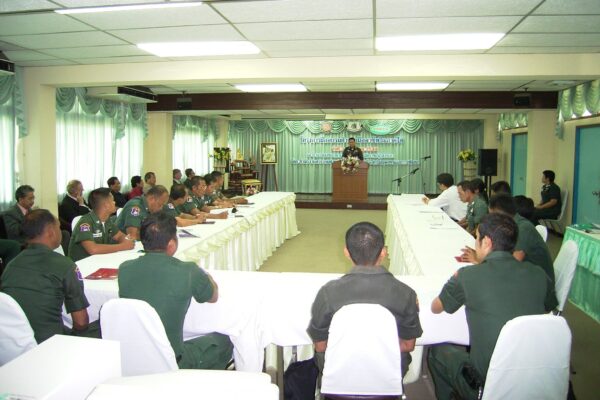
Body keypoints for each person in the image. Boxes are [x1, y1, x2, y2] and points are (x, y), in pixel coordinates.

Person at [428, 213, 551, 400]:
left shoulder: (467, 276)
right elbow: (549, 311)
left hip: (487, 384)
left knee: (437, 351)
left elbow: (436, 308)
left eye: (476, 238)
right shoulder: (538, 273)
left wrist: (453, 281)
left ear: (486, 242)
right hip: (536, 375)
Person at [307, 222, 422, 380]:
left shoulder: (328, 293)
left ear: (346, 253)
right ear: (383, 252)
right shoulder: (406, 294)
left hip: (340, 373)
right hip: (388, 373)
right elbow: (409, 345)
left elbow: (320, 345)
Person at [118, 212, 233, 369]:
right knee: (225, 339)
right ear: (171, 244)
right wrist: (206, 276)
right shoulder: (188, 271)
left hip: (133, 359)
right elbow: (213, 296)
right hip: (173, 361)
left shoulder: (124, 269)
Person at [1, 209, 99, 343]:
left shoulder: (11, 265)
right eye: (58, 227)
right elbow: (81, 323)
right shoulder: (65, 265)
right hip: (51, 344)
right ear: (51, 231)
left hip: (14, 343)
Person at [68, 188, 135, 262]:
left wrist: (127, 240)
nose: (114, 203)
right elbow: (93, 249)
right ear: (106, 205)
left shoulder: (106, 221)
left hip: (99, 261)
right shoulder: (85, 223)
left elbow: (119, 235)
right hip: (82, 266)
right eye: (112, 200)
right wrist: (123, 246)